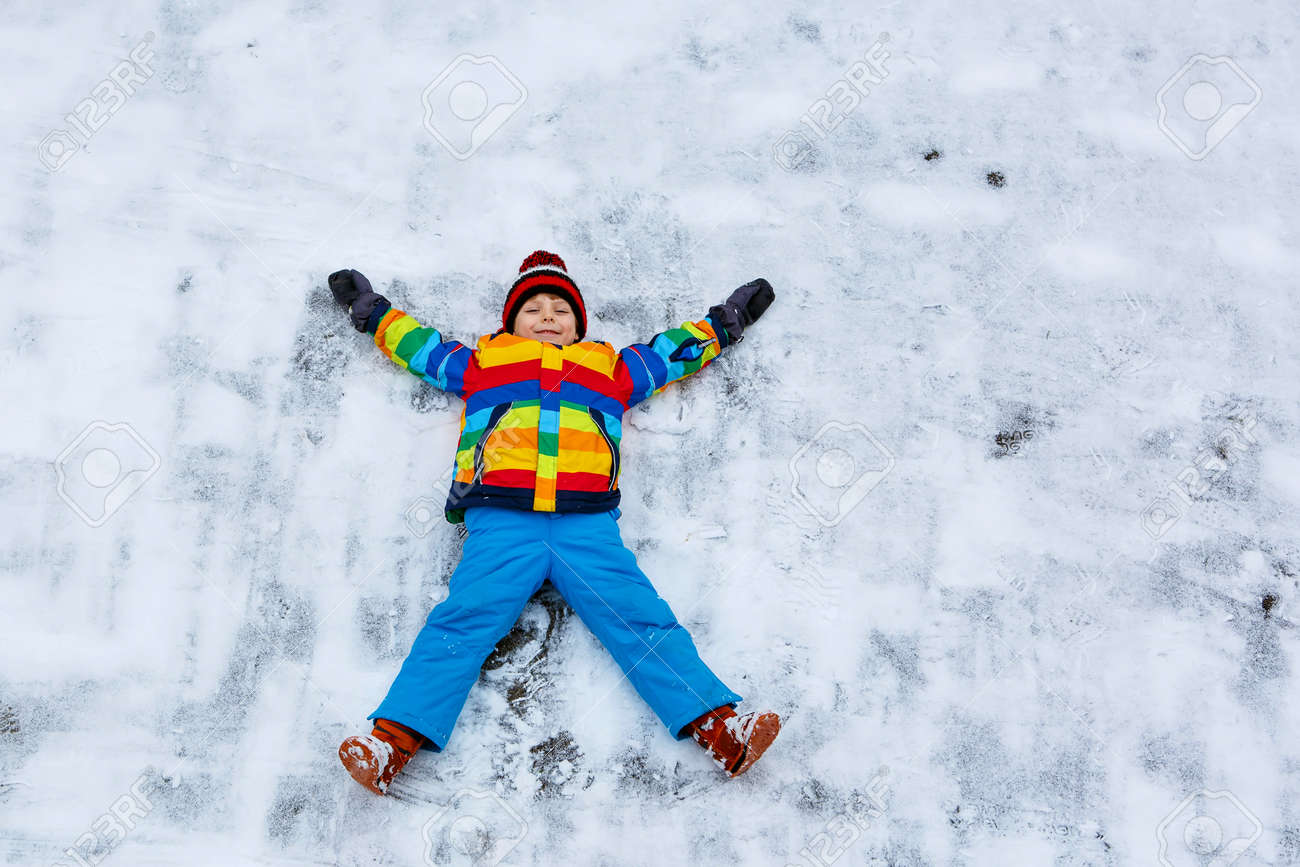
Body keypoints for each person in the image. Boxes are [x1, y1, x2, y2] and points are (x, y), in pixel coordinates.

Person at [330, 251, 779, 794]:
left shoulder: (610, 370)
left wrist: (726, 323)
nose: (547, 316)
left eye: (560, 309)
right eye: (534, 308)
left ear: (578, 322)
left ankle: (721, 730)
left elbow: (670, 354)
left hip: (584, 525)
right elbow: (419, 345)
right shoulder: (482, 364)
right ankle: (391, 744)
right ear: (511, 322)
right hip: (503, 516)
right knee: (463, 622)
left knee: (639, 617)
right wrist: (372, 311)